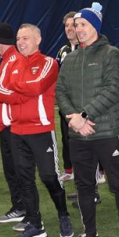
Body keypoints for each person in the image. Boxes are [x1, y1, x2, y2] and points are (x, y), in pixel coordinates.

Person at [56, 3, 119, 237]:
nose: (78, 29)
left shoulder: (111, 54)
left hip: (106, 132)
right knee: (84, 186)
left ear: (95, 27)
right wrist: (74, 119)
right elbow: (60, 91)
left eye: (83, 24)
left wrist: (83, 116)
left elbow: (112, 90)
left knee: (118, 184)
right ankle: (90, 234)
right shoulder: (70, 58)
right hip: (78, 135)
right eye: (76, 25)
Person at [0, 24, 73, 237]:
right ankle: (36, 224)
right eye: (18, 39)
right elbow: (1, 92)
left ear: (38, 39)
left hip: (41, 130)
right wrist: (24, 91)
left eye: (26, 38)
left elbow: (37, 86)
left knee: (49, 177)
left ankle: (63, 215)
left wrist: (16, 87)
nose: (20, 42)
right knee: (24, 179)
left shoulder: (48, 62)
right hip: (17, 130)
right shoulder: (11, 63)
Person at [0, 23, 27, 226]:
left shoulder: (14, 60)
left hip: (13, 124)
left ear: (0, 41)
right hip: (7, 124)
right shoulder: (7, 60)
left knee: (18, 169)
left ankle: (25, 209)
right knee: (11, 169)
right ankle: (19, 206)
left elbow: (12, 91)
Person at [55, 11, 78, 182]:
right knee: (66, 137)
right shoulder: (63, 50)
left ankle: (99, 171)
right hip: (65, 103)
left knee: (87, 138)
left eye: (73, 25)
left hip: (82, 102)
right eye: (66, 25)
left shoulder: (87, 48)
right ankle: (69, 170)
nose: (69, 28)